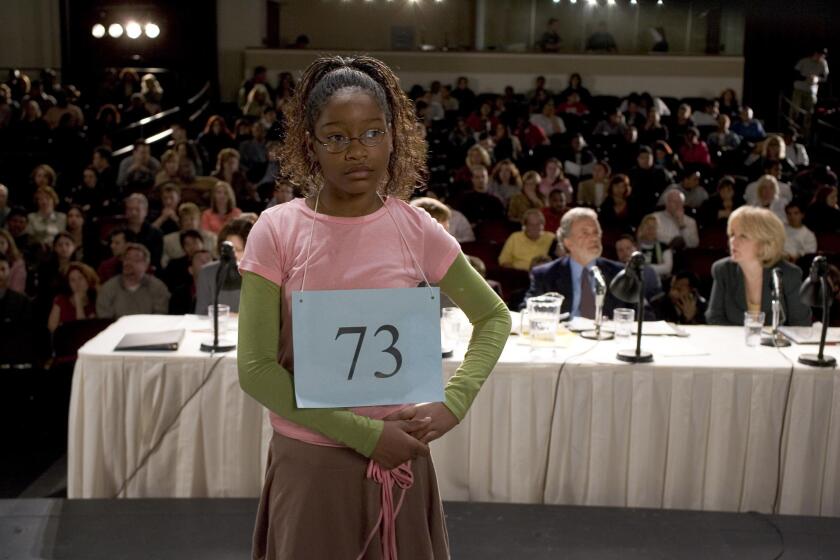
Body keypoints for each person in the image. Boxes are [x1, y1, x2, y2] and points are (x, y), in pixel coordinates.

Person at [236, 55, 509, 559]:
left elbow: (494, 317)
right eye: (336, 136)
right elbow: (255, 370)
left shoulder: (416, 228)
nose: (356, 151)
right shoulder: (277, 230)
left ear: (392, 137)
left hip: (400, 456)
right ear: (311, 145)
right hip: (314, 460)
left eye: (372, 133)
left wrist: (454, 403)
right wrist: (364, 434)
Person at [706, 206, 810, 326]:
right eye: (732, 234)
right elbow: (714, 318)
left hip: (777, 344)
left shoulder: (788, 274)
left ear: (765, 242)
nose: (733, 241)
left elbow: (801, 324)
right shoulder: (723, 270)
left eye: (743, 236)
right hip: (734, 343)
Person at [524, 208, 626, 319]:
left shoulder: (619, 273)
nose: (594, 238)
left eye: (596, 232)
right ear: (568, 242)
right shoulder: (545, 275)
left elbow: (641, 315)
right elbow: (527, 311)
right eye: (585, 233)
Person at [96, 243, 170, 318]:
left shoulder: (158, 288)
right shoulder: (108, 288)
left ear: (146, 265)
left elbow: (160, 317)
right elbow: (104, 319)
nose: (129, 263)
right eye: (127, 258)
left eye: (136, 260)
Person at [194, 218, 252, 314]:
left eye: (238, 250)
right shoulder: (206, 273)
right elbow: (200, 314)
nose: (233, 255)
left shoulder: (261, 276)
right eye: (228, 249)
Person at [0, 254, 36, 366]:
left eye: (2, 269)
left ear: (9, 271)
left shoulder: (22, 301)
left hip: (13, 357)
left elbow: (26, 333)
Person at [47, 262, 99, 332]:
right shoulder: (60, 300)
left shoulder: (96, 302)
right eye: (72, 280)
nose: (77, 283)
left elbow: (82, 330)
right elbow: (52, 328)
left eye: (80, 278)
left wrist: (79, 304)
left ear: (87, 279)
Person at [614, 234, 663, 302]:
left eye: (628, 248)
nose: (625, 252)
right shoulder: (613, 271)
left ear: (635, 248)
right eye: (620, 250)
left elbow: (656, 297)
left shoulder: (649, 272)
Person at [791, 48, 829, 131]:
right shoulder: (804, 61)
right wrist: (805, 78)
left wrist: (817, 79)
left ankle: (806, 132)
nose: (821, 58)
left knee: (809, 113)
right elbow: (794, 74)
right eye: (820, 55)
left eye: (823, 56)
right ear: (815, 54)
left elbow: (825, 78)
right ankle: (791, 129)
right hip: (799, 89)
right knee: (795, 110)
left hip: (811, 91)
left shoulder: (823, 64)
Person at [124, 193, 164, 270]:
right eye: (130, 209)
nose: (133, 213)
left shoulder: (156, 234)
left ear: (145, 211)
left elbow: (155, 261)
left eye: (137, 209)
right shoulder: (119, 233)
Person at [636, 214, 673, 279]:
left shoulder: (664, 247)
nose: (651, 230)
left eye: (653, 227)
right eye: (647, 226)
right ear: (641, 228)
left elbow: (667, 268)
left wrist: (645, 268)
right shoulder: (635, 247)